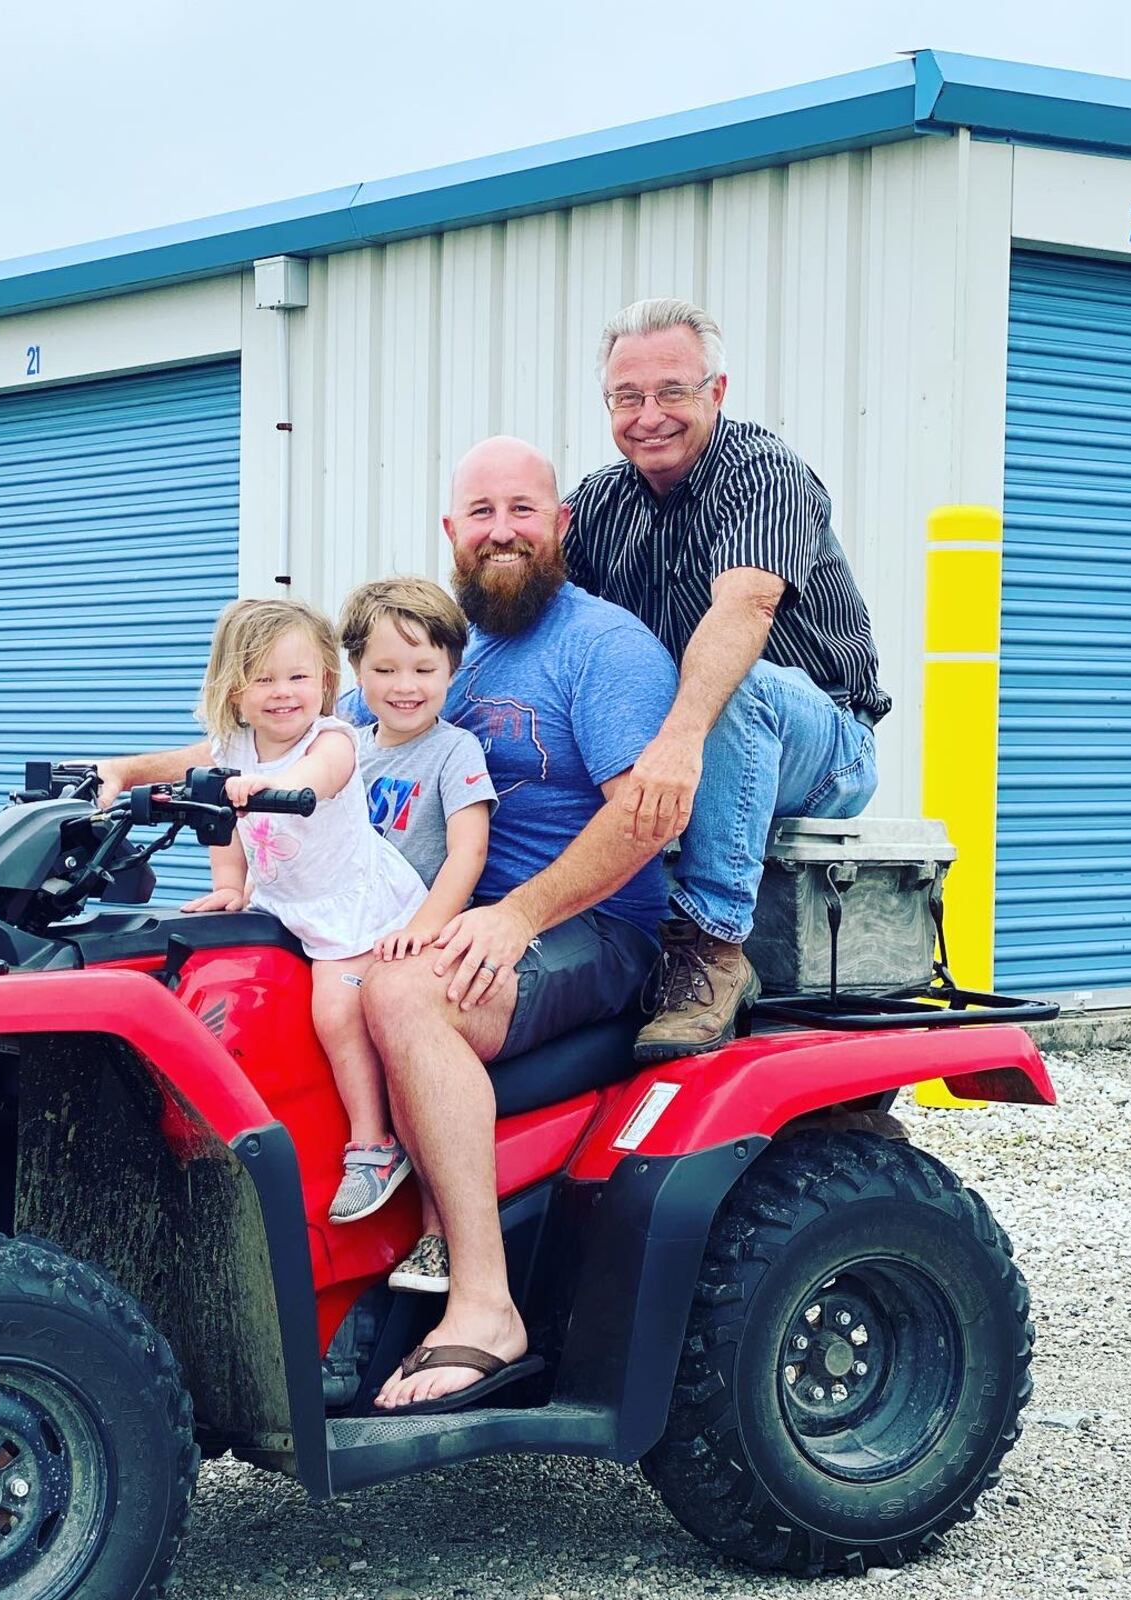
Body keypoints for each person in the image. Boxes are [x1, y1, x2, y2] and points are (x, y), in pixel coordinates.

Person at [360, 436, 678, 1413]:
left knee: (408, 993)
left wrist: (518, 914)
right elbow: (313, 735)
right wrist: (141, 778)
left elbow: (644, 819)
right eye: (482, 513)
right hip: (450, 914)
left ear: (560, 526)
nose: (502, 530)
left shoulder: (604, 646)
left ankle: (485, 1303)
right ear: (451, 532)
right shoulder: (431, 652)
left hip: (590, 927)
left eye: (523, 510)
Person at [564, 297, 889, 1062]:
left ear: (717, 391)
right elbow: (531, 612)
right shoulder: (601, 502)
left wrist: (678, 742)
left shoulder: (766, 471)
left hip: (822, 741)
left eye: (672, 391)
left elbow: (748, 604)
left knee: (736, 685)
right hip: (697, 742)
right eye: (627, 397)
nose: (649, 415)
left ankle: (711, 945)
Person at [180, 597, 428, 1224]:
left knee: (337, 1010)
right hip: (282, 903)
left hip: (351, 907)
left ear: (324, 681)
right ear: (234, 692)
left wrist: (276, 787)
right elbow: (222, 825)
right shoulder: (232, 747)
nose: (283, 693)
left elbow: (323, 778)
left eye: (298, 677)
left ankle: (374, 1146)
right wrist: (231, 884)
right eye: (263, 679)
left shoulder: (332, 739)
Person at [337, 577, 497, 1293]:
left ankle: (433, 1223)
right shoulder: (341, 747)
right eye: (385, 669)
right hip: (348, 922)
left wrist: (422, 929)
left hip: (412, 929)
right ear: (355, 672)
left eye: (424, 669)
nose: (405, 686)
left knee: (395, 1025)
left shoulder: (452, 751)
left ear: (452, 672)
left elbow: (468, 852)